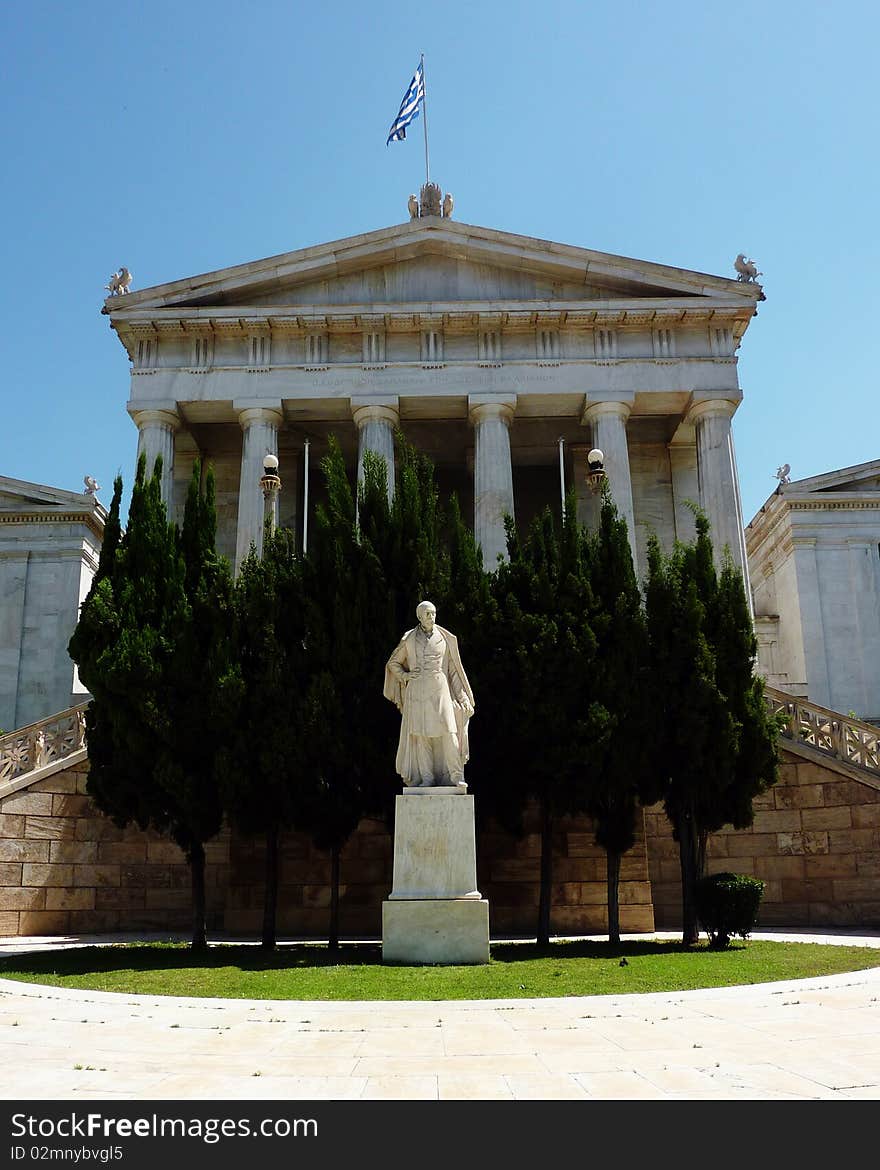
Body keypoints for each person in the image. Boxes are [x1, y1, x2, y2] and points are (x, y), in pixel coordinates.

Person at [383, 601, 475, 789]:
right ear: (419, 617)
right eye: (427, 614)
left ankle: (456, 776)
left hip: (440, 689)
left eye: (433, 613)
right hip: (417, 692)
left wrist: (463, 697)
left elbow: (453, 672)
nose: (431, 617)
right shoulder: (409, 639)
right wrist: (406, 676)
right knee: (421, 736)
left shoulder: (445, 638)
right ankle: (427, 778)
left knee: (450, 732)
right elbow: (393, 663)